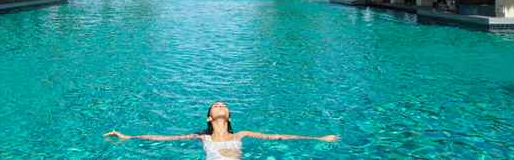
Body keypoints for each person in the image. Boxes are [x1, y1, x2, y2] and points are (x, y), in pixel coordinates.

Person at [104, 101, 339, 160]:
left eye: (223, 105)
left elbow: (279, 136)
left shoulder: (241, 134)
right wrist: (129, 137)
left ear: (228, 116)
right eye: (215, 105)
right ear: (210, 116)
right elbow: (164, 138)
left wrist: (318, 137)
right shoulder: (200, 136)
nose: (220, 105)